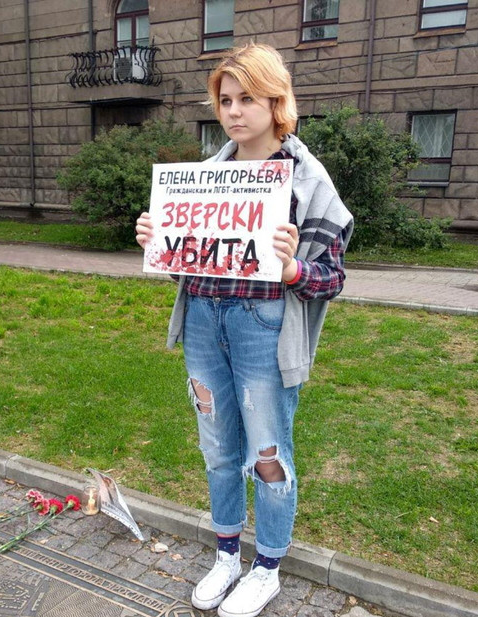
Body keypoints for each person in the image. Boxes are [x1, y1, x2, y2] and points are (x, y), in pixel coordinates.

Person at [134, 43, 353, 617]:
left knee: (267, 451)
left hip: (265, 329)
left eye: (247, 99)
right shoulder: (206, 178)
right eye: (225, 100)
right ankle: (227, 555)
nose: (233, 111)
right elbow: (192, 264)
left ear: (276, 101)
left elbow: (331, 278)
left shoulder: (307, 181)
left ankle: (268, 568)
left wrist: (293, 269)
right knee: (216, 446)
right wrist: (159, 244)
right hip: (205, 322)